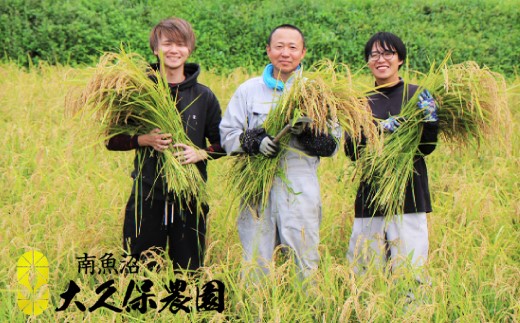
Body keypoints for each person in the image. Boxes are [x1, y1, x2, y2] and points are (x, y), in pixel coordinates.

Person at [220, 24, 341, 280]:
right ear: (268, 50)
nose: (285, 52)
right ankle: (255, 313)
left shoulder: (316, 93)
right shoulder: (248, 90)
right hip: (256, 185)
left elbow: (333, 144)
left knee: (303, 257)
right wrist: (255, 141)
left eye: (292, 47)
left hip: (299, 185)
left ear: (303, 52)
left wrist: (308, 135)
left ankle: (305, 311)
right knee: (255, 259)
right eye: (279, 46)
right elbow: (227, 135)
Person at [106, 17, 224, 272]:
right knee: (140, 268)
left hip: (190, 195)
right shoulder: (137, 92)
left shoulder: (204, 96)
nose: (174, 50)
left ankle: (187, 311)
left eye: (181, 44)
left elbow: (222, 144)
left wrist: (200, 153)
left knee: (189, 269)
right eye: (167, 43)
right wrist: (143, 140)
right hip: (147, 192)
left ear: (189, 49)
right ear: (155, 48)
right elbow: (111, 140)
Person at [344, 32, 439, 278]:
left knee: (411, 269)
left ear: (400, 60)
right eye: (374, 54)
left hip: (410, 193)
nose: (380, 59)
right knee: (366, 270)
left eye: (388, 53)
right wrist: (377, 130)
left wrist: (430, 121)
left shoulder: (417, 95)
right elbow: (350, 151)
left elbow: (426, 147)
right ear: (368, 61)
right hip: (371, 196)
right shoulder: (360, 102)